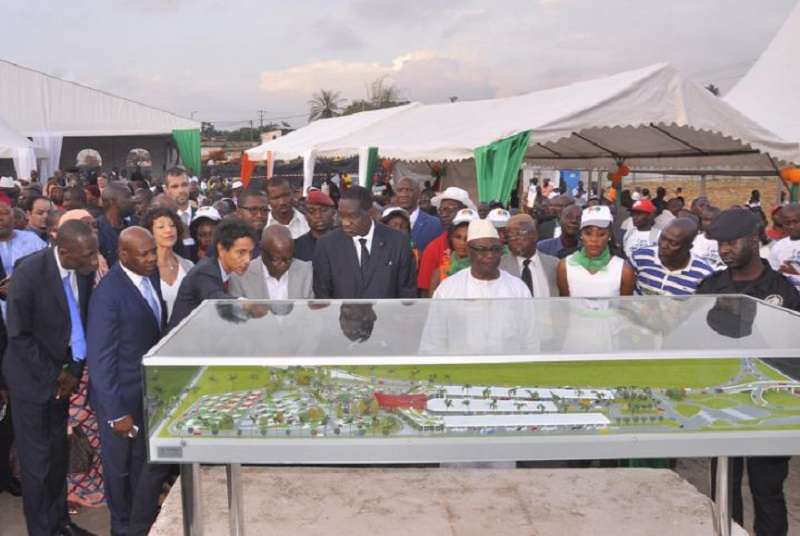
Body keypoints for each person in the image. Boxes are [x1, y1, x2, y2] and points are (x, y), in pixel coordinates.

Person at [698, 207, 799, 536]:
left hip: (769, 406)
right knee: (723, 491)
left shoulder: (783, 292)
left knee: (767, 491)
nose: (724, 249)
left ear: (755, 240)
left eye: (731, 242)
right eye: (719, 244)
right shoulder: (709, 288)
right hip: (721, 402)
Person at [2, 220, 98, 536]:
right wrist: (56, 375)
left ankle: (60, 523)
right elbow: (19, 336)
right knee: (37, 466)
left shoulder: (81, 273)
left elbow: (78, 329)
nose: (94, 261)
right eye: (87, 255)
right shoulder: (28, 273)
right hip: (32, 382)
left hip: (63, 380)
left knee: (57, 458)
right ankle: (42, 530)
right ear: (65, 251)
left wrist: (74, 371)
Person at [86, 227, 167, 536]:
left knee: (142, 469)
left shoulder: (151, 276)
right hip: (120, 401)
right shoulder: (108, 294)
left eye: (153, 252)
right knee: (119, 474)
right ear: (123, 255)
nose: (151, 259)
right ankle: (121, 529)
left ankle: (139, 525)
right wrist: (116, 412)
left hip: (147, 394)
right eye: (144, 254)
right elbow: (101, 359)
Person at [313, 186, 416, 299]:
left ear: (371, 213)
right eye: (342, 216)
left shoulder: (398, 242)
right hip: (342, 316)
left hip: (386, 316)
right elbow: (322, 295)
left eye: (352, 216)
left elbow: (406, 294)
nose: (346, 223)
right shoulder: (327, 245)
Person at [169, 218, 256, 329]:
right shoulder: (204, 271)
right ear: (221, 249)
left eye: (250, 252)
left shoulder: (225, 271)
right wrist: (249, 305)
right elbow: (216, 299)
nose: (247, 259)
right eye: (241, 252)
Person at [433, 219, 530, 299]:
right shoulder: (448, 288)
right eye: (481, 249)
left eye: (495, 249)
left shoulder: (517, 287)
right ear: (469, 251)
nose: (490, 255)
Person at [557, 205, 636, 297]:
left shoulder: (624, 271)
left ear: (609, 235)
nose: (594, 239)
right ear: (581, 234)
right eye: (588, 233)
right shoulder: (564, 267)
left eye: (601, 234)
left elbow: (624, 309)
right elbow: (564, 306)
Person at [630, 218, 714, 296]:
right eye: (662, 238)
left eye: (673, 243)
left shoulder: (704, 274)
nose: (663, 245)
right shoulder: (640, 257)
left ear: (688, 247)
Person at [417, 187, 476, 296]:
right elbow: (425, 293)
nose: (443, 214)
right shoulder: (433, 248)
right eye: (441, 210)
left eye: (449, 209)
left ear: (465, 210)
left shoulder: (485, 248)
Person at [229, 225, 313, 299]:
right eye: (276, 259)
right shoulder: (240, 275)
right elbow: (237, 313)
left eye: (288, 259)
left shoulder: (306, 271)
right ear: (262, 251)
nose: (283, 265)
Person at [141, 208, 194, 323]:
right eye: (161, 227)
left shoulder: (189, 266)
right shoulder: (143, 270)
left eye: (172, 225)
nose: (169, 230)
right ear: (150, 232)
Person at [500, 214, 559, 296]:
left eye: (519, 232)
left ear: (535, 235)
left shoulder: (555, 264)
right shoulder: (500, 266)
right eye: (510, 235)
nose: (514, 238)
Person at [428, 208, 478, 295]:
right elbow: (434, 306)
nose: (462, 243)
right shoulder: (438, 273)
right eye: (458, 237)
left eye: (468, 237)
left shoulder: (484, 271)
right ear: (451, 238)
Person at [393, 177, 442, 253]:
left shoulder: (435, 224)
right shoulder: (385, 222)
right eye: (400, 190)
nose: (404, 194)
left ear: (419, 194)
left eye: (409, 190)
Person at [96, 182, 134, 267]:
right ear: (112, 202)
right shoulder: (97, 230)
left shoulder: (132, 228)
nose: (133, 200)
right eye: (128, 197)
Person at [294, 190, 336, 262]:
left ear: (333, 212)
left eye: (323, 210)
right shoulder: (297, 246)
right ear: (305, 216)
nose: (318, 216)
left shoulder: (345, 242)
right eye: (312, 211)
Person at [768, 203, 800, 292]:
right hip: (790, 299)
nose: (792, 226)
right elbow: (773, 275)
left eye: (796, 222)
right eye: (787, 223)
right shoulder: (778, 247)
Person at [163, 168, 195, 249]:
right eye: (175, 186)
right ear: (166, 190)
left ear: (189, 186)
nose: (181, 190)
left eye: (184, 185)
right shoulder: (163, 220)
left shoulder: (200, 215)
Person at [691, 206, 724, 270]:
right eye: (706, 219)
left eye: (713, 220)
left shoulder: (726, 242)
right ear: (701, 221)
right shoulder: (694, 240)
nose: (709, 223)